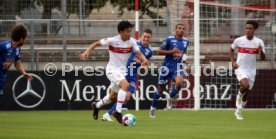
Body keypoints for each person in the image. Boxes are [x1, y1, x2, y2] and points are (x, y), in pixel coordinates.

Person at [80, 21, 148, 125]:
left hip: (122, 72)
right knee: (125, 85)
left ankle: (96, 106)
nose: (130, 33)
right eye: (127, 31)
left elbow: (138, 53)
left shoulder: (132, 41)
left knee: (112, 96)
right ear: (121, 32)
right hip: (112, 70)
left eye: (130, 31)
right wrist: (87, 51)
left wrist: (144, 59)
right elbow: (97, 43)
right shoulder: (112, 40)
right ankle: (118, 112)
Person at [102, 29, 153, 122]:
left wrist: (143, 66)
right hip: (124, 71)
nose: (146, 38)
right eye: (144, 36)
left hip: (133, 74)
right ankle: (108, 111)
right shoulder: (133, 44)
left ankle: (109, 113)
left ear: (150, 38)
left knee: (127, 97)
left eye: (148, 37)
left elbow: (144, 64)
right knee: (113, 95)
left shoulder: (150, 51)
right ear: (141, 36)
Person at [149, 24, 189, 118]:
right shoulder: (169, 40)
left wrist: (184, 59)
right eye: (179, 28)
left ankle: (170, 97)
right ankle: (153, 108)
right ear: (175, 30)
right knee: (160, 89)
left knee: (179, 83)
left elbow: (184, 52)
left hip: (177, 66)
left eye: (183, 28)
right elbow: (159, 51)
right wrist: (171, 51)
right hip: (166, 67)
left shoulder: (186, 41)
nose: (181, 30)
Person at [230, 20, 265, 120]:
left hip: (251, 71)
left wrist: (261, 52)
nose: (248, 30)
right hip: (240, 69)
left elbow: (263, 58)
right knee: (245, 85)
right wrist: (233, 62)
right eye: (247, 28)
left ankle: (238, 111)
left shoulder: (259, 42)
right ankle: (239, 96)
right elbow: (231, 49)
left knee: (247, 92)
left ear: (254, 30)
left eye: (250, 28)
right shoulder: (239, 40)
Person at [0, 25, 33, 101]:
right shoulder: (3, 46)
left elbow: (17, 64)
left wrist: (24, 73)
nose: (25, 40)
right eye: (25, 38)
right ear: (21, 39)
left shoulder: (17, 49)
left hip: (2, 78)